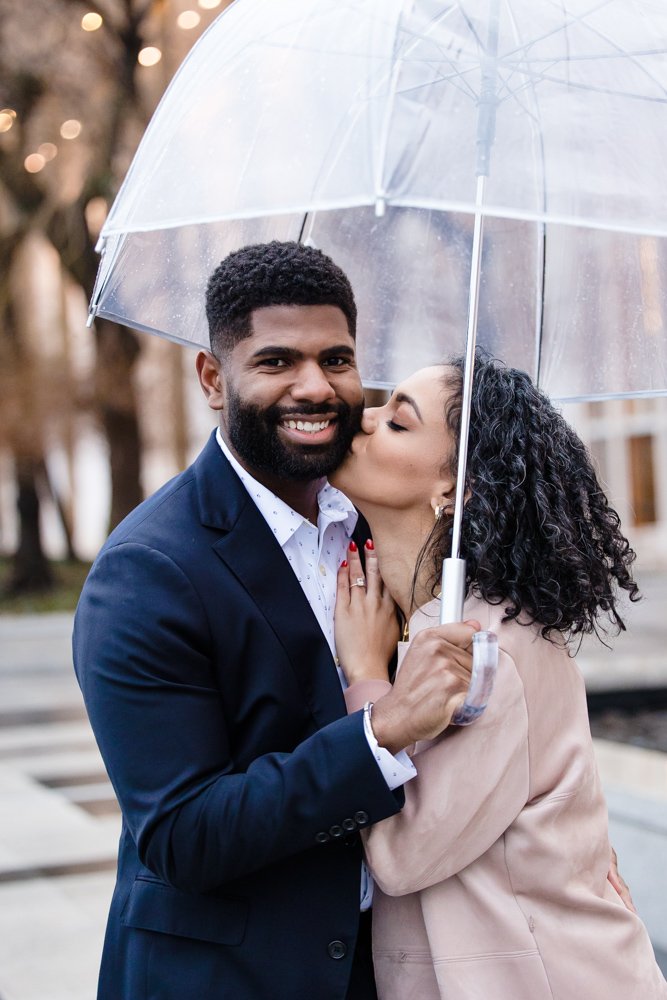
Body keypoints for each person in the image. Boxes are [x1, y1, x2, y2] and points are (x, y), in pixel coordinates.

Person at [72, 241, 476, 1000]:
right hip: (224, 979)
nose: (314, 387)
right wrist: (379, 730)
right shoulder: (149, 571)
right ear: (213, 378)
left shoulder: (373, 523)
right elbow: (182, 836)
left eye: (336, 358)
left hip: (379, 966)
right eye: (276, 362)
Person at [332, 356, 667, 1000]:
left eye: (398, 422)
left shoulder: (488, 650)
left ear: (452, 489)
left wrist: (368, 677)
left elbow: (402, 856)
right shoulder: (418, 622)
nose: (364, 418)